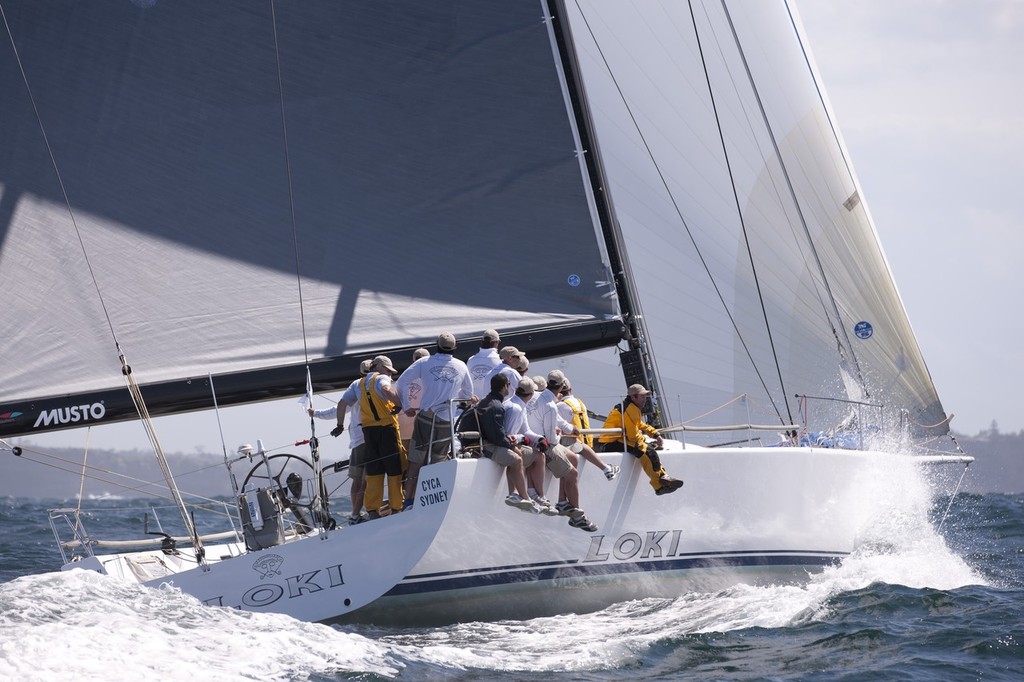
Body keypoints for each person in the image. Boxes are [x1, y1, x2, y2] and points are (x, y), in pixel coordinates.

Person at [395, 331, 474, 509]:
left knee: (416, 460)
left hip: (426, 418)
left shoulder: (424, 362)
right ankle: (433, 501)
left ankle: (408, 502)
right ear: (455, 347)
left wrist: (406, 406)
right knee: (437, 461)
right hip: (446, 420)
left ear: (436, 345)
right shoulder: (461, 366)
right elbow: (468, 394)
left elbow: (402, 382)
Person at [526, 370, 598, 532]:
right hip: (543, 444)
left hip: (532, 440)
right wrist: (559, 434)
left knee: (574, 458)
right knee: (572, 473)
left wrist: (570, 428)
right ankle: (578, 517)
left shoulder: (539, 396)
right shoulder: (551, 405)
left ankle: (562, 502)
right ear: (562, 386)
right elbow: (552, 440)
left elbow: (557, 420)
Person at [310, 358, 373, 524]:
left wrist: (316, 413)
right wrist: (316, 413)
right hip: (369, 438)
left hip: (358, 440)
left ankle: (355, 514)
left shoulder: (357, 385)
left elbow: (339, 407)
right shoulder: (377, 382)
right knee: (365, 480)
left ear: (360, 372)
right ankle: (357, 514)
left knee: (357, 480)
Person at [598, 384, 684, 496]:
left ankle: (663, 476)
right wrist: (645, 440)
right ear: (633, 397)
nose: (645, 399)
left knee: (648, 450)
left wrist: (655, 434)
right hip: (610, 443)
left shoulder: (630, 407)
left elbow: (640, 425)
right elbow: (633, 435)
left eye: (645, 396)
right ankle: (659, 486)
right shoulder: (630, 409)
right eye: (642, 396)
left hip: (613, 441)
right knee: (646, 451)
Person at [477, 373, 536, 512]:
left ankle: (518, 495)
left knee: (517, 455)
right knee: (516, 459)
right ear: (505, 386)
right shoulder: (497, 406)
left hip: (487, 442)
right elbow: (497, 437)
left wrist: (511, 443)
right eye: (508, 384)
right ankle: (524, 497)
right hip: (488, 446)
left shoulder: (488, 401)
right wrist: (512, 445)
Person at [356, 355, 406, 519]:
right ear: (380, 368)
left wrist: (340, 424)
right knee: (394, 469)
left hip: (369, 432)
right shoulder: (381, 378)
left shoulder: (359, 383)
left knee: (374, 471)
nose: (391, 376)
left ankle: (372, 510)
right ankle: (397, 507)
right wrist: (400, 404)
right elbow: (387, 389)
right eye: (389, 371)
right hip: (386, 430)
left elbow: (342, 403)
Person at [507, 377, 559, 516]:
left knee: (536, 451)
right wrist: (527, 439)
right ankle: (536, 496)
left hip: (513, 443)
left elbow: (526, 430)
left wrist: (540, 439)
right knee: (539, 455)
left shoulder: (516, 404)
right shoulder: (517, 408)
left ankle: (532, 495)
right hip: (510, 446)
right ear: (530, 395)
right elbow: (510, 435)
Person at [556, 377, 619, 481]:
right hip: (588, 444)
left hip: (572, 446)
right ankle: (606, 468)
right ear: (570, 390)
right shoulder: (580, 403)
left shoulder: (559, 406)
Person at [398, 347, 430, 456]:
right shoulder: (430, 378)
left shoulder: (404, 377)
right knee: (421, 459)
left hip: (402, 425)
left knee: (405, 460)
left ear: (413, 361)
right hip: (421, 425)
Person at [466, 329, 501, 399]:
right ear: (496, 342)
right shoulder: (499, 361)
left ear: (482, 341)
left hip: (474, 404)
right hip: (491, 404)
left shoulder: (470, 360)